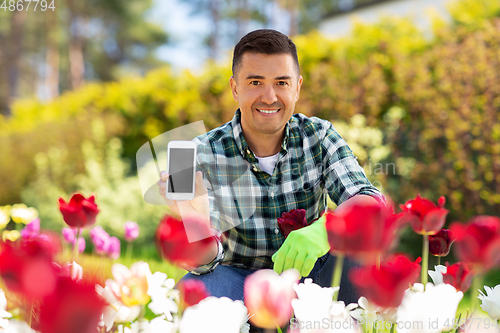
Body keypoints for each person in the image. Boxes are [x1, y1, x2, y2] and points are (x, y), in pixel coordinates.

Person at [158, 28, 384, 316]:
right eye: (255, 82)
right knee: (192, 293)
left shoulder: (319, 135)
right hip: (240, 284)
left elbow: (370, 200)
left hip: (312, 282)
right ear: (235, 88)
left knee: (356, 248)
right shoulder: (193, 154)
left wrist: (325, 229)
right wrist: (195, 223)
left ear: (297, 88)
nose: (269, 97)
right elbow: (203, 264)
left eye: (281, 82)